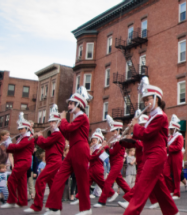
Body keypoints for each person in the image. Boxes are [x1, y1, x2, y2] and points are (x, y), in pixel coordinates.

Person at [121, 78, 179, 215]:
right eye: (144, 100)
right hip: (149, 155)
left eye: (148, 99)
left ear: (156, 99)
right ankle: (172, 212)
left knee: (142, 186)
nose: (146, 103)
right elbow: (142, 137)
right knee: (159, 188)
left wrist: (135, 126)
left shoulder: (160, 116)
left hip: (156, 155)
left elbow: (146, 133)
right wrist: (127, 136)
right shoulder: (151, 117)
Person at [43, 86, 93, 215]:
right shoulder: (76, 118)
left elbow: (69, 129)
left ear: (78, 104)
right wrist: (61, 124)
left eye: (71, 104)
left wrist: (63, 119)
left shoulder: (82, 117)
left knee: (82, 180)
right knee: (59, 177)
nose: (69, 106)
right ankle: (54, 208)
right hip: (73, 149)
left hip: (81, 149)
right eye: (69, 104)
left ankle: (86, 209)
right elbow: (68, 134)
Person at [26, 105, 66, 213]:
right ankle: (55, 207)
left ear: (58, 122)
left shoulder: (58, 134)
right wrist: (36, 137)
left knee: (40, 180)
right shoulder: (54, 134)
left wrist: (39, 136)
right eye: (50, 122)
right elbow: (45, 145)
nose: (51, 124)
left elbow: (45, 143)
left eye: (53, 122)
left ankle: (37, 206)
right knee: (52, 185)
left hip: (54, 161)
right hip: (51, 161)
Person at [118, 114, 158, 210]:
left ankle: (130, 201)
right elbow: (132, 145)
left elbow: (140, 145)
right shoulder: (138, 134)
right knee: (150, 183)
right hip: (141, 162)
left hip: (146, 162)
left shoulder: (146, 133)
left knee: (139, 183)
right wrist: (121, 141)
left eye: (141, 124)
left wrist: (132, 138)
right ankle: (155, 200)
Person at [94, 116, 131, 208]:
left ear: (118, 130)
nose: (112, 132)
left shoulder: (120, 140)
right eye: (112, 131)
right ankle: (132, 197)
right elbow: (111, 153)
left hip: (118, 163)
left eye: (114, 131)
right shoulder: (115, 140)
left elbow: (113, 152)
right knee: (121, 182)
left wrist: (106, 147)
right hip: (114, 162)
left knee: (108, 181)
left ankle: (102, 201)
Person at [2, 113, 35, 209]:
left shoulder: (29, 137)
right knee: (22, 182)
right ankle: (22, 201)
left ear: (27, 128)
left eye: (22, 128)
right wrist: (7, 146)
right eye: (19, 129)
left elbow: (18, 147)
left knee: (11, 180)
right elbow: (14, 149)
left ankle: (12, 200)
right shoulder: (21, 138)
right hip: (20, 161)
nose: (20, 130)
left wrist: (8, 143)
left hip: (23, 161)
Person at [165, 115, 184, 199]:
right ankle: (171, 190)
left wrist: (169, 148)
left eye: (171, 129)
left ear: (175, 129)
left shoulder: (179, 136)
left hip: (177, 156)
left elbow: (179, 147)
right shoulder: (170, 137)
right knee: (166, 173)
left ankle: (177, 193)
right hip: (170, 156)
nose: (170, 130)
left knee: (176, 175)